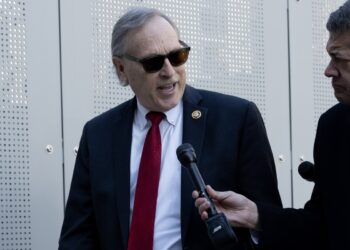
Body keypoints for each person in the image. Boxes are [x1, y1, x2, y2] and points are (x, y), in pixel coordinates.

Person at [58, 7, 282, 250]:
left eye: (177, 56)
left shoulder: (237, 119)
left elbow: (269, 221)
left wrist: (254, 225)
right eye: (153, 63)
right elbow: (78, 234)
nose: (169, 71)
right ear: (121, 68)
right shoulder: (98, 134)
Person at [193, 1, 350, 250]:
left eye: (339, 58)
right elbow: (321, 227)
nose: (328, 71)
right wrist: (255, 215)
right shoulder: (334, 127)